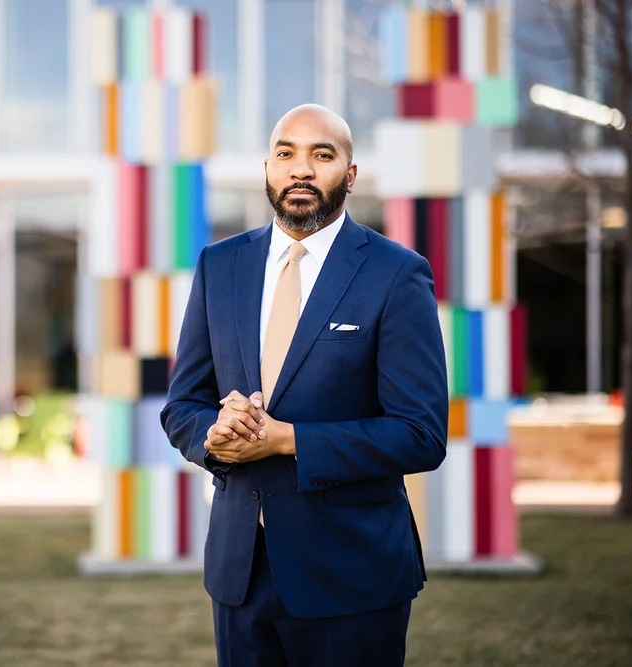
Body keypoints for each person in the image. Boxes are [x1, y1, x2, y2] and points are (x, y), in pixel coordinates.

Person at [160, 104, 448, 666]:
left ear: (350, 173)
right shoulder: (220, 265)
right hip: (240, 572)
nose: (301, 169)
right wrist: (213, 436)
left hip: (352, 573)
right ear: (267, 167)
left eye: (322, 155)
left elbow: (420, 433)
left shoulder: (396, 272)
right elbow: (183, 406)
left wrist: (289, 439)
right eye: (287, 154)